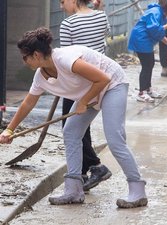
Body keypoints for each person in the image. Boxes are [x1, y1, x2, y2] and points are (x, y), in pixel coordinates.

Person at [0, 27, 148, 208]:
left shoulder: (65, 59)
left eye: (25, 56)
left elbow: (103, 79)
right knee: (70, 131)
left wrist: (83, 101)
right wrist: (9, 129)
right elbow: (28, 104)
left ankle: (137, 190)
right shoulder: (40, 76)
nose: (24, 61)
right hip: (91, 90)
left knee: (115, 138)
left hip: (113, 84)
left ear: (37, 55)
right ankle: (74, 190)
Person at [59, 0, 111, 192]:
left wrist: (62, 85)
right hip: (100, 78)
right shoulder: (101, 16)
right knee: (81, 127)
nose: (61, 7)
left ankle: (96, 166)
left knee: (70, 128)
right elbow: (103, 41)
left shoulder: (68, 24)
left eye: (63, 2)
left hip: (78, 82)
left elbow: (66, 57)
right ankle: (81, 173)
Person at [128, 0, 167, 103]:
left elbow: (159, 33)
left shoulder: (160, 14)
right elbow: (154, 29)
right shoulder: (155, 12)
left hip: (145, 41)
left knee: (150, 64)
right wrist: (166, 26)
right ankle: (141, 93)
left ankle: (148, 89)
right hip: (141, 39)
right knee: (147, 65)